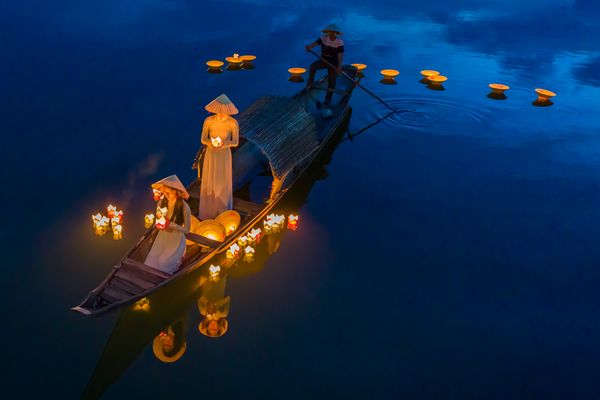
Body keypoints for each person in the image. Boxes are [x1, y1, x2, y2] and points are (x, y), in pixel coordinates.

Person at [199, 94, 240, 220]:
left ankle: (222, 209)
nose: (221, 114)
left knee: (222, 181)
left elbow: (235, 142)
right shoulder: (209, 121)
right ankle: (207, 211)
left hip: (224, 154)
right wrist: (210, 143)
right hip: (211, 153)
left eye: (224, 112)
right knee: (210, 179)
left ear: (228, 111)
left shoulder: (233, 123)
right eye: (218, 111)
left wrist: (224, 144)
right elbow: (203, 139)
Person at [144, 175, 191, 274]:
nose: (166, 195)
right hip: (162, 237)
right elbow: (158, 220)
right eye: (164, 192)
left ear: (177, 193)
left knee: (163, 264)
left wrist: (172, 225)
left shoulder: (184, 207)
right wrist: (158, 224)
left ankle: (180, 255)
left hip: (176, 239)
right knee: (150, 264)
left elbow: (187, 230)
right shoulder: (161, 203)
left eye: (169, 192)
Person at [305, 23, 345, 107]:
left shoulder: (339, 42)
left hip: (333, 64)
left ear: (336, 33)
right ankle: (310, 84)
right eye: (330, 32)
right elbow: (315, 43)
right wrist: (309, 47)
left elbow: (340, 55)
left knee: (331, 83)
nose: (331, 34)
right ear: (328, 32)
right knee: (312, 66)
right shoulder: (323, 38)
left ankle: (327, 100)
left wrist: (339, 66)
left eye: (333, 32)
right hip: (323, 61)